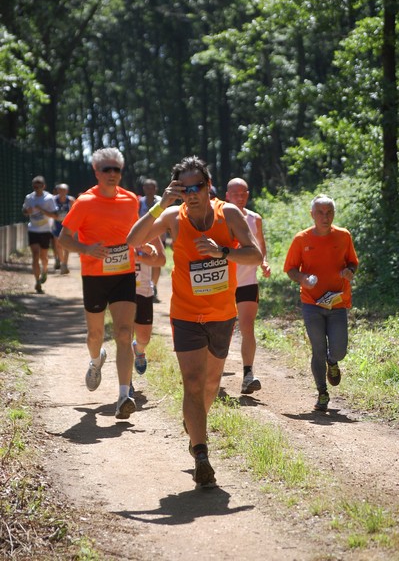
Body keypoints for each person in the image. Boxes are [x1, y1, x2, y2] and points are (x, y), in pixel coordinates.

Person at [127, 156, 262, 489]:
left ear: (208, 185)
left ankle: (194, 424)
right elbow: (133, 239)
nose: (191, 194)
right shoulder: (173, 216)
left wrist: (223, 253)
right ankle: (201, 453)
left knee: (212, 384)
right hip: (185, 314)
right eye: (184, 188)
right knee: (192, 381)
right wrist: (161, 204)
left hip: (221, 314)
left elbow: (255, 255)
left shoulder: (227, 213)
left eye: (197, 187)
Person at [59, 147, 141, 421]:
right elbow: (64, 238)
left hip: (123, 275)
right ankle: (96, 361)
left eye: (116, 169)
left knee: (124, 332)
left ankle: (123, 396)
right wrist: (85, 248)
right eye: (106, 169)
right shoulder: (84, 202)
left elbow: (136, 233)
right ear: (96, 172)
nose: (112, 174)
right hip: (94, 276)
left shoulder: (131, 200)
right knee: (96, 336)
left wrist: (145, 247)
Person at [283, 194, 358, 412]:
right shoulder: (301, 239)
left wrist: (349, 271)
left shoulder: (344, 236)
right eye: (320, 213)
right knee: (317, 349)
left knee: (339, 350)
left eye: (329, 213)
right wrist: (302, 279)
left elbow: (353, 262)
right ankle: (322, 393)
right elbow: (290, 269)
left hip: (337, 303)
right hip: (312, 304)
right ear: (312, 214)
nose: (325, 217)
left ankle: (332, 362)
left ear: (333, 214)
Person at [226, 178, 271, 395]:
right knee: (222, 330)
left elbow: (260, 245)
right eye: (235, 193)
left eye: (243, 193)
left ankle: (248, 374)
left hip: (247, 281)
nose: (240, 197)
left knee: (247, 327)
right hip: (223, 284)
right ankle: (212, 373)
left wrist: (263, 262)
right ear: (227, 195)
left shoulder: (255, 218)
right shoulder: (219, 217)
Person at [129, 236, 166, 395]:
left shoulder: (149, 229)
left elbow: (161, 261)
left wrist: (143, 255)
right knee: (125, 337)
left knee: (144, 338)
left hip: (143, 290)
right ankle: (126, 383)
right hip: (121, 291)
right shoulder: (114, 224)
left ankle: (139, 350)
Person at [22, 176, 58, 293]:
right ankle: (37, 281)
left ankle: (45, 270)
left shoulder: (48, 198)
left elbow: (55, 215)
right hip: (33, 229)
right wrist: (27, 212)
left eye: (39, 186)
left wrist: (41, 210)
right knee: (35, 255)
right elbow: (24, 211)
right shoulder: (29, 197)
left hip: (45, 230)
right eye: (35, 186)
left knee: (44, 257)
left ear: (44, 186)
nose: (37, 188)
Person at [139, 179, 165, 303]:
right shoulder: (140, 202)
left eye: (152, 187)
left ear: (156, 189)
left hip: (159, 236)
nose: (149, 190)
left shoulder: (161, 201)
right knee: (144, 261)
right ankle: (143, 287)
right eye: (147, 187)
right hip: (143, 237)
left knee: (157, 262)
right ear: (143, 188)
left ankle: (154, 287)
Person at [52, 183, 75, 274]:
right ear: (57, 191)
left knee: (67, 245)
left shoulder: (71, 200)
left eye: (64, 190)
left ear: (67, 191)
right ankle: (62, 262)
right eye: (60, 190)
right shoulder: (53, 200)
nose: (62, 192)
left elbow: (76, 211)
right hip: (56, 225)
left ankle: (64, 263)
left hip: (67, 225)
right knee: (58, 245)